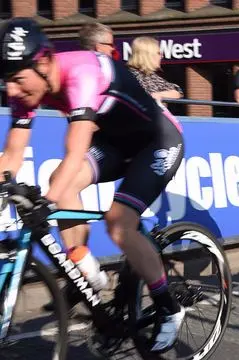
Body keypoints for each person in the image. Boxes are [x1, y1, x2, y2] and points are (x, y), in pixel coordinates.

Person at [0, 18, 184, 352]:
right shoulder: (26, 87)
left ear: (42, 64)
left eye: (15, 80)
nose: (11, 91)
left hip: (157, 141)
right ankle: (87, 269)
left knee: (118, 224)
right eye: (6, 81)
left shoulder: (82, 73)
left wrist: (47, 203)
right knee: (60, 182)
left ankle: (169, 307)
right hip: (116, 143)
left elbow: (76, 151)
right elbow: (10, 157)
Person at [127, 36, 183, 102]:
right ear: (148, 55)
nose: (162, 56)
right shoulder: (131, 76)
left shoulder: (150, 75)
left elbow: (178, 91)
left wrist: (160, 94)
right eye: (159, 53)